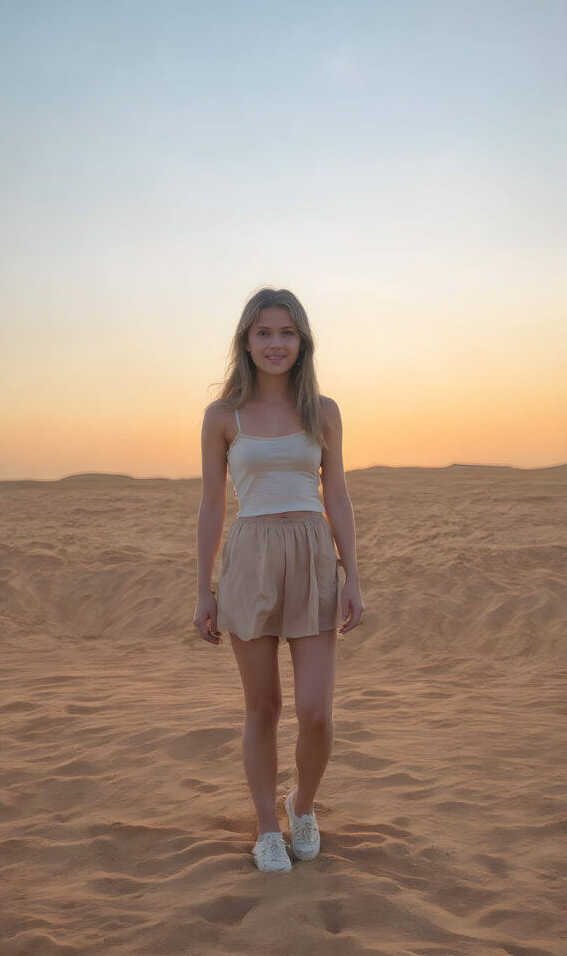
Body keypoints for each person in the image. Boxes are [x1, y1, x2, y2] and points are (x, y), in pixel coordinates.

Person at [193, 287, 364, 873]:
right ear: (246, 340)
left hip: (314, 556)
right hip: (251, 560)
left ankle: (303, 804)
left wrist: (353, 575)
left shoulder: (325, 410)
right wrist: (203, 590)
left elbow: (336, 494)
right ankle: (268, 827)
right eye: (264, 332)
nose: (275, 343)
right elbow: (213, 506)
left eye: (286, 333)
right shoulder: (223, 417)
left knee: (315, 710)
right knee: (262, 707)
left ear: (302, 342)